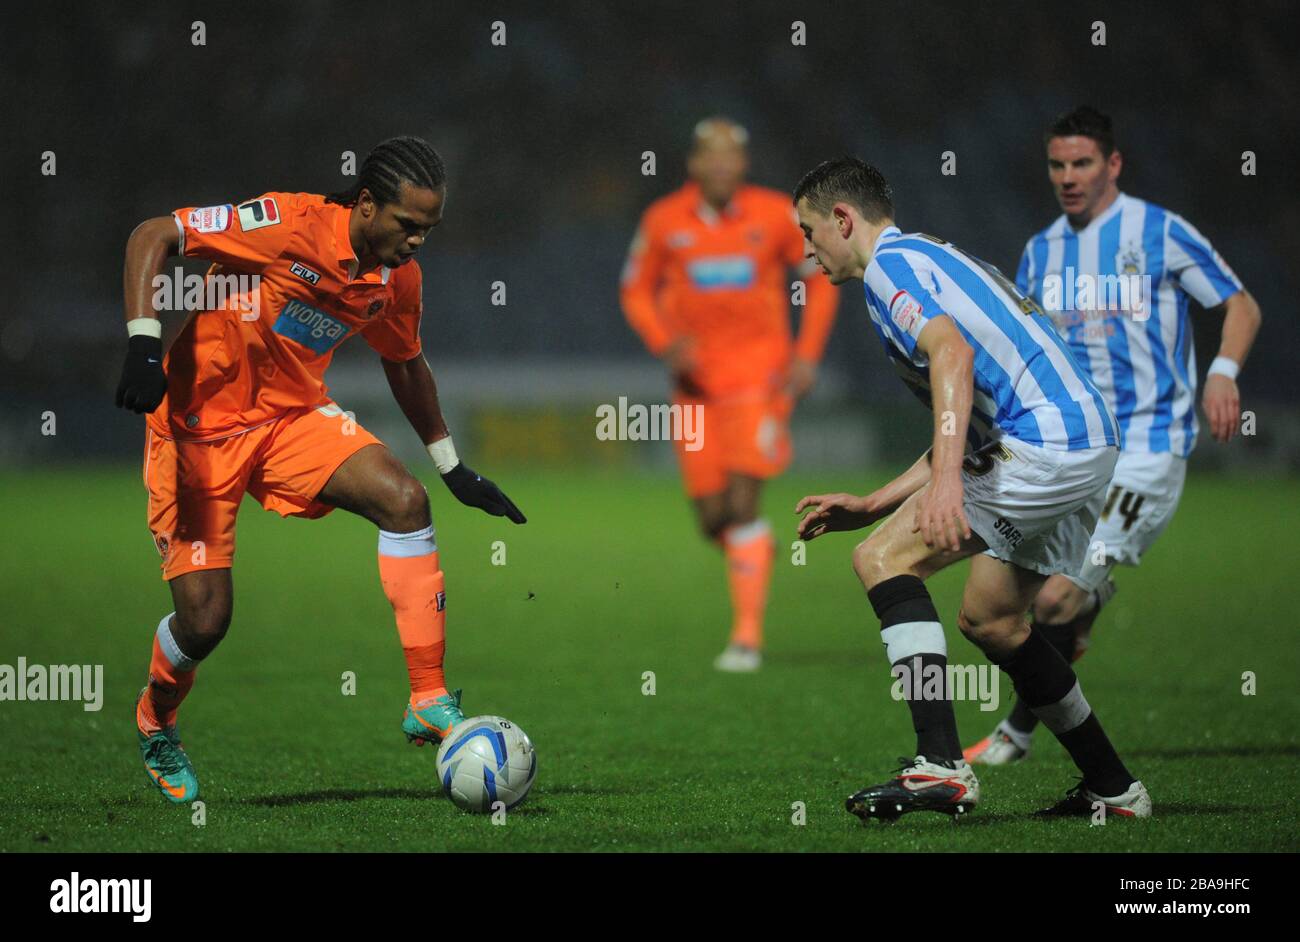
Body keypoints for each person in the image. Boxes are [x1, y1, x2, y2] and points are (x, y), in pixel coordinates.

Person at [116, 136, 525, 803]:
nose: (419, 240)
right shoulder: (285, 224)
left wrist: (450, 465)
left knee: (404, 500)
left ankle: (427, 696)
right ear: (366, 204)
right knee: (205, 623)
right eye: (409, 224)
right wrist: (142, 343)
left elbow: (404, 360)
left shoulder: (397, 278)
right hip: (196, 433)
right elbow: (153, 234)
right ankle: (156, 718)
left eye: (430, 228)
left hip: (289, 421)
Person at [793, 157, 1149, 820]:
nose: (806, 250)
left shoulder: (889, 271)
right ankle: (1114, 788)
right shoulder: (933, 259)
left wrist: (950, 481)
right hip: (1084, 438)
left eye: (810, 231)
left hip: (1046, 440)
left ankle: (941, 766)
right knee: (993, 620)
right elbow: (968, 405)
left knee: (882, 559)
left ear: (844, 218)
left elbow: (951, 357)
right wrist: (876, 501)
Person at [966, 106, 1261, 765]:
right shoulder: (1041, 251)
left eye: (1083, 163)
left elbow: (1240, 304)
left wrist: (1222, 371)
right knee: (1045, 598)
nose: (1069, 177)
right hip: (1078, 451)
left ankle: (1028, 739)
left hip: (1150, 446)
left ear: (1113, 165)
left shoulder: (1158, 231)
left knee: (1056, 597)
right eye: (1058, 165)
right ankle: (1042, 696)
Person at [620, 118, 838, 672]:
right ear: (693, 165)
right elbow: (635, 290)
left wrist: (808, 354)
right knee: (711, 517)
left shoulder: (775, 214)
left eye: (731, 158)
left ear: (744, 165)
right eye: (710, 158)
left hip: (758, 383)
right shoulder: (664, 220)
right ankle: (754, 551)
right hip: (693, 391)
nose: (722, 167)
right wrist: (665, 343)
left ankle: (746, 638)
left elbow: (818, 275)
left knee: (742, 505)